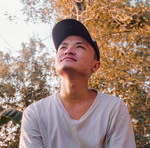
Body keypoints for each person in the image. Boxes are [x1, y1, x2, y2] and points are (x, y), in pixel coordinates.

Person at [19, 18, 136, 148]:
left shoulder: (113, 108)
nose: (68, 51)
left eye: (79, 46)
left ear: (95, 66)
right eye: (63, 47)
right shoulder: (35, 113)